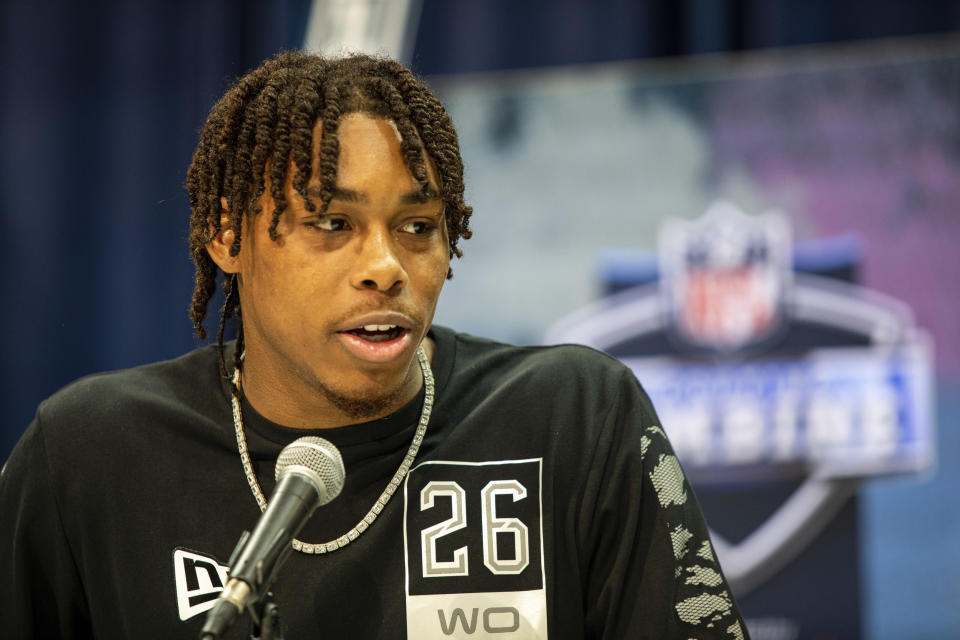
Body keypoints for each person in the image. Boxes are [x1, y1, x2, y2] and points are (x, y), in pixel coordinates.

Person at [0, 51, 748, 639]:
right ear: (226, 235)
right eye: (332, 224)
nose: (386, 267)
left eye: (417, 227)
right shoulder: (90, 456)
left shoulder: (573, 417)